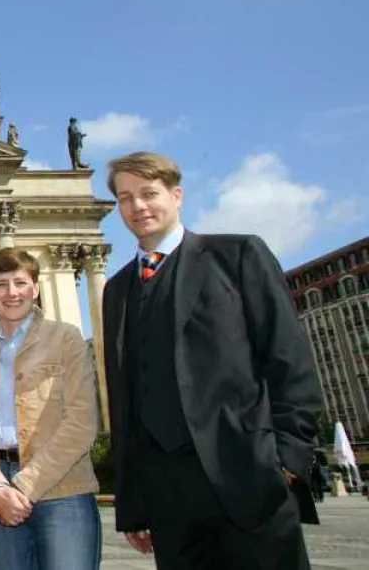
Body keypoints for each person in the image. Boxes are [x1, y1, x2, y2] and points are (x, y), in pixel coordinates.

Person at [102, 151, 323, 570]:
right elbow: (124, 396)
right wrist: (133, 501)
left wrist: (286, 460)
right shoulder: (118, 289)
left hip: (248, 477)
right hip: (167, 494)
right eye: (126, 198)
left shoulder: (237, 255)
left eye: (149, 193)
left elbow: (288, 358)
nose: (138, 207)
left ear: (177, 195)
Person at [0, 248, 101, 570]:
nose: (12, 293)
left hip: (61, 487)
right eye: (0, 284)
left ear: (35, 288)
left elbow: (81, 422)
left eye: (20, 283)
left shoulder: (66, 338)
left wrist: (24, 485)